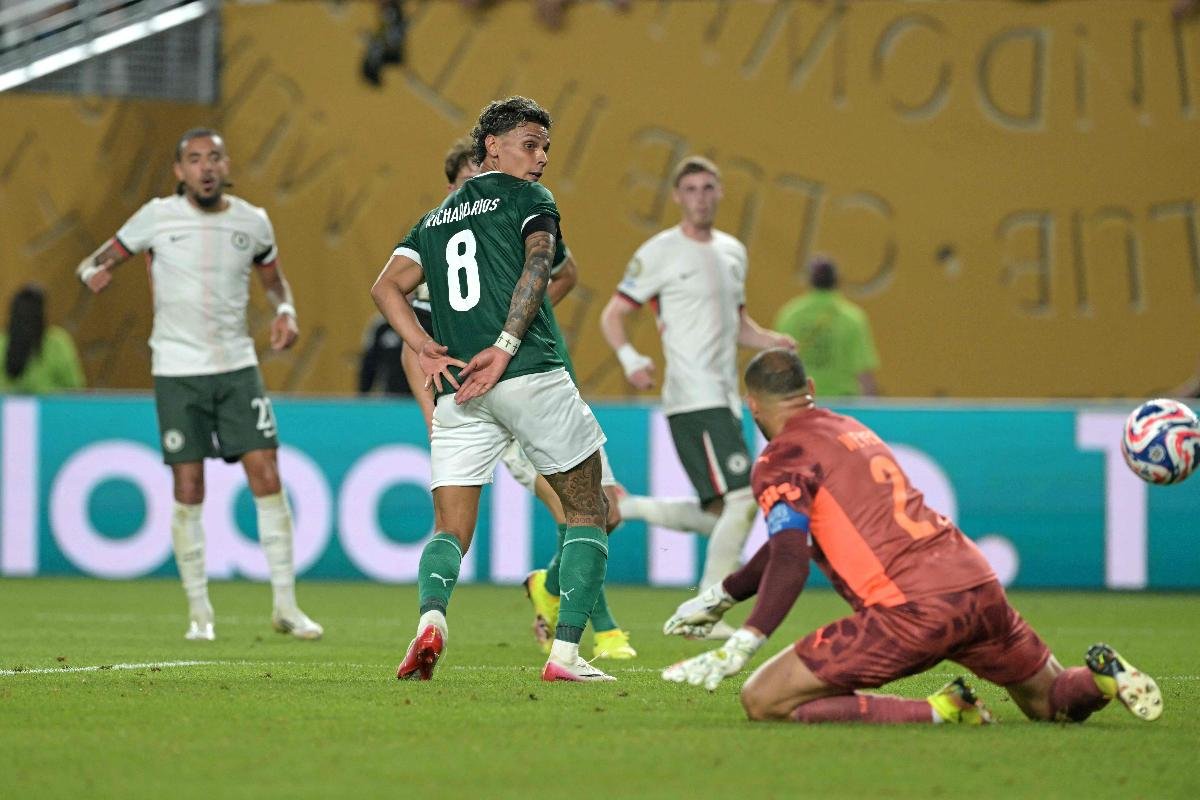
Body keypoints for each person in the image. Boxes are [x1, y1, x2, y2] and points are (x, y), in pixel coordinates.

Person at [662, 348, 1163, 727]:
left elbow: (792, 557)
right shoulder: (848, 429)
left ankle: (941, 710)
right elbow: (786, 542)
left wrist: (746, 640)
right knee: (1048, 700)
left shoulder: (782, 458)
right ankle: (1100, 679)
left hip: (912, 612)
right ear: (809, 387)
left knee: (764, 699)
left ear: (750, 404)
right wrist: (723, 595)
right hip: (977, 586)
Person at [371, 96, 615, 682]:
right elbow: (542, 265)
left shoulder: (433, 220)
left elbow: (385, 289)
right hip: (526, 371)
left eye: (545, 148)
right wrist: (505, 343)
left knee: (449, 529)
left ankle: (432, 618)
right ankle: (566, 656)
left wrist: (424, 345)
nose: (541, 160)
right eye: (530, 145)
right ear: (493, 147)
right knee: (590, 509)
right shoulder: (530, 200)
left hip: (460, 389)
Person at [74, 127, 322, 643]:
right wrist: (91, 274)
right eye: (194, 159)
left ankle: (285, 605)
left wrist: (286, 310)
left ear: (225, 164)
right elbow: (95, 260)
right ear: (179, 171)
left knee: (268, 473)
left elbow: (274, 280)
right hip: (177, 370)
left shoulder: (252, 222)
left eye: (213, 157)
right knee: (189, 487)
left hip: (236, 367)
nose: (205, 167)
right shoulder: (156, 217)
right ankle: (200, 614)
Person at [599, 155, 794, 633]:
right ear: (677, 197)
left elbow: (738, 324)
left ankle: (631, 506)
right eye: (691, 190)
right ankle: (706, 612)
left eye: (709, 188)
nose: (701, 198)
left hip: (727, 397)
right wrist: (630, 360)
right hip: (691, 396)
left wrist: (770, 341)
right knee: (746, 497)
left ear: (721, 193)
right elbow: (613, 314)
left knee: (720, 515)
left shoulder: (733, 252)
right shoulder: (659, 252)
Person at [772, 256, 880, 397]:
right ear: (838, 280)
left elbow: (776, 365)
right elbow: (864, 371)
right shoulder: (851, 317)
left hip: (801, 401)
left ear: (809, 281)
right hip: (842, 404)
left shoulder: (790, 315)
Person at [0, 284, 85, 393]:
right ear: (42, 313)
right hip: (52, 409)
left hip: (5, 409)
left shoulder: (2, 342)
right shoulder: (57, 342)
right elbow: (74, 386)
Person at [358, 313, 414, 396]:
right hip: (390, 395)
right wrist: (363, 394)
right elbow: (369, 363)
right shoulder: (381, 326)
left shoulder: (425, 322)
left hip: (423, 396)